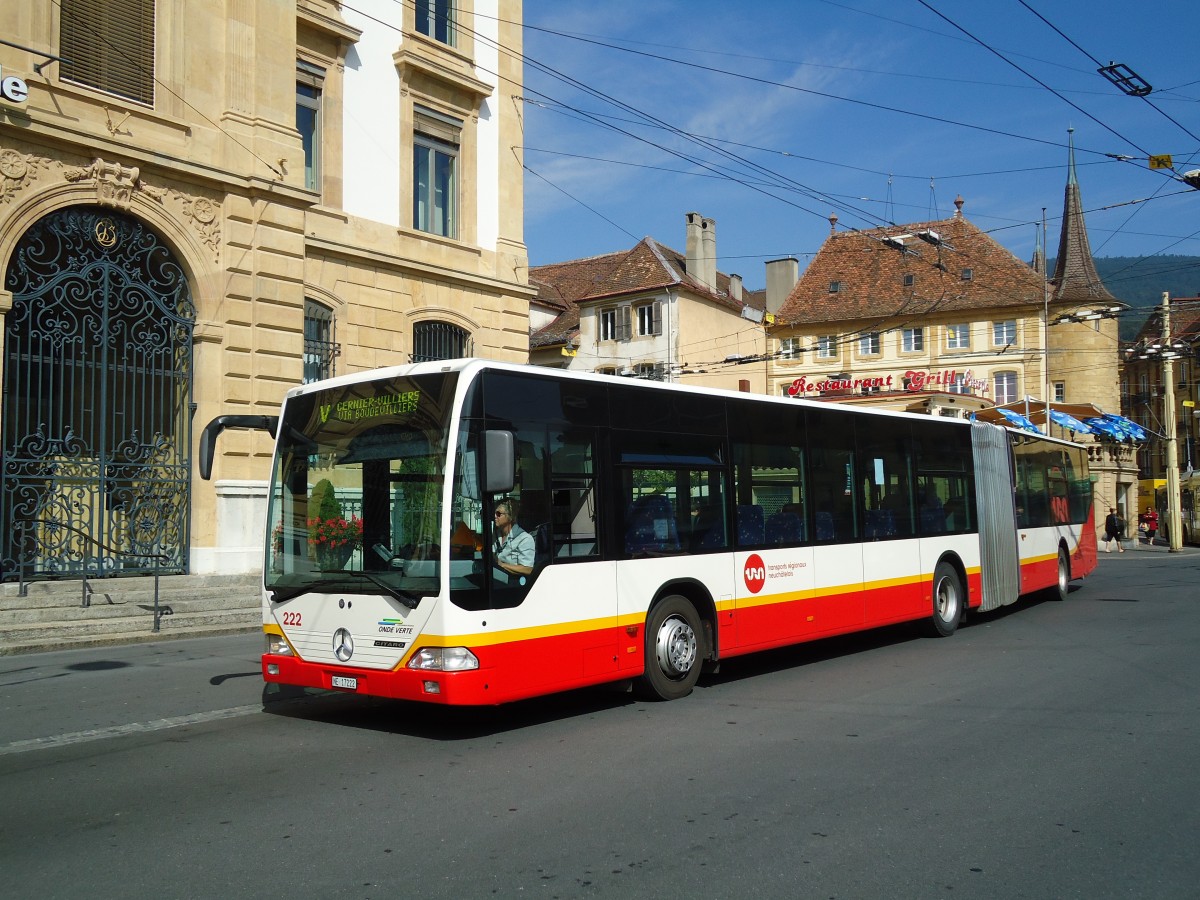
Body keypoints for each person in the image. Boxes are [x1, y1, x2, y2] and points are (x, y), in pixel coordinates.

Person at [492, 499, 535, 576]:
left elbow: (528, 569)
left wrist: (502, 565)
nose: (495, 516)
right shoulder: (495, 535)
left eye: (498, 514)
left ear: (510, 516)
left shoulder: (525, 539)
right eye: (494, 513)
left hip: (514, 583)